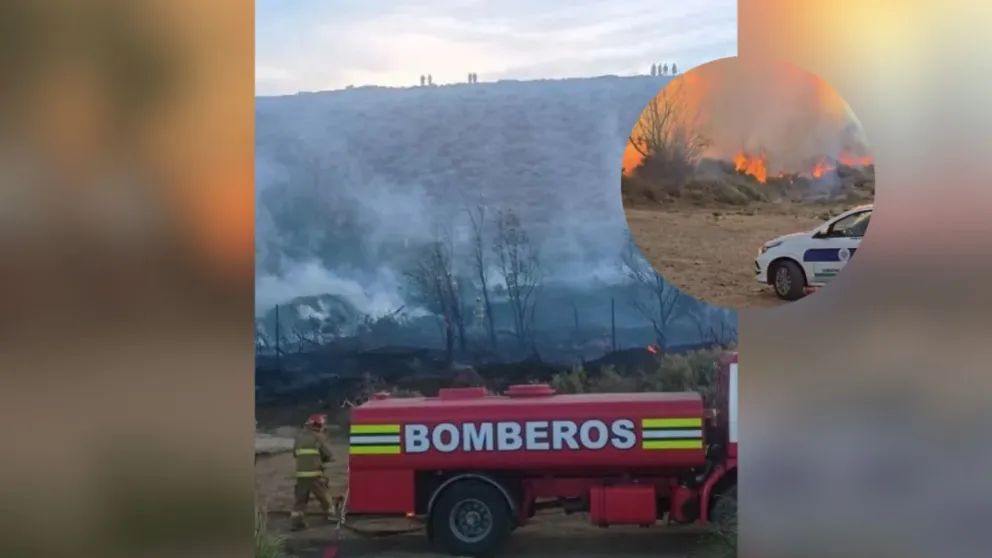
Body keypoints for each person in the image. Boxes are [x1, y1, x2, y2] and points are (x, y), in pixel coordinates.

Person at [290, 413, 336, 531]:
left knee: (300, 499)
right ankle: (331, 516)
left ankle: (296, 522)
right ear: (318, 425)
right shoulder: (319, 437)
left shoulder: (299, 437)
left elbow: (295, 453)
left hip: (301, 474)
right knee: (324, 496)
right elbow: (329, 455)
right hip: (315, 473)